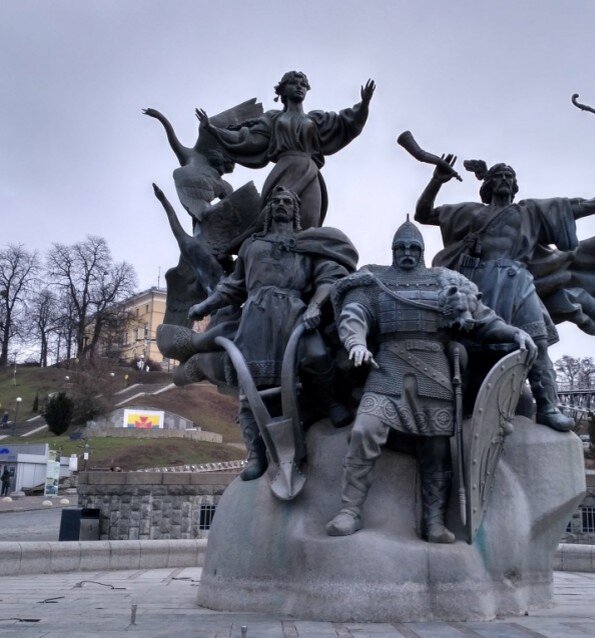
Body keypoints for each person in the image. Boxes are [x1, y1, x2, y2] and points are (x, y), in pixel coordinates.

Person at [325, 219, 536, 543]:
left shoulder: (446, 282)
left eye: (414, 248)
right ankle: (349, 511)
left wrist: (514, 332)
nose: (407, 253)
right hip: (388, 368)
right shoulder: (374, 281)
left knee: (437, 450)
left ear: (422, 251)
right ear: (393, 250)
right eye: (401, 248)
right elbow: (354, 314)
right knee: (364, 430)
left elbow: (482, 320)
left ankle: (434, 522)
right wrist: (356, 342)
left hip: (434, 371)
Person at [415, 157, 595, 431]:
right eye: (498, 175)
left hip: (518, 282)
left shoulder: (532, 212)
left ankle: (547, 406)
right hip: (477, 284)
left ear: (515, 185)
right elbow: (423, 214)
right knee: (468, 345)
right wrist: (437, 180)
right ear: (487, 184)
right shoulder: (471, 213)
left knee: (538, 342)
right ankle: (459, 403)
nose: (504, 179)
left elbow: (583, 205)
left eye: (509, 176)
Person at [188, 187, 358, 481]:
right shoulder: (252, 245)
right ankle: (255, 454)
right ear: (268, 209)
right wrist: (205, 305)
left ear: (295, 210)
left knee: (317, 355)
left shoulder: (308, 243)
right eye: (276, 201)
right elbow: (234, 286)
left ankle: (331, 402)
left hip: (295, 313)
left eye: (287, 202)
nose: (281, 205)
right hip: (257, 318)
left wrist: (315, 306)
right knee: (249, 386)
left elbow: (328, 278)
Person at [196, 71, 375, 230]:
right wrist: (212, 129)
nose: (299, 87)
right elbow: (249, 139)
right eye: (293, 83)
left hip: (310, 172)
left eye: (303, 84)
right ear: (282, 90)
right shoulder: (273, 118)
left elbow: (346, 123)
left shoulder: (317, 118)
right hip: (283, 170)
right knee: (272, 220)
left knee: (308, 226)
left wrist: (364, 103)